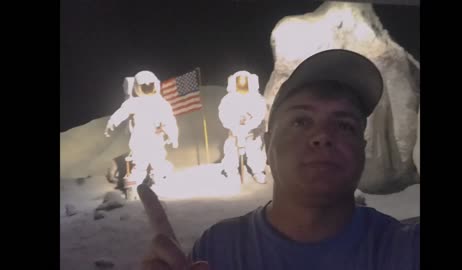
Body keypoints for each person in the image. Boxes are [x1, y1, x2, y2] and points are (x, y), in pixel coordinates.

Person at [139, 49, 420, 270]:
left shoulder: (403, 249)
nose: (322, 136)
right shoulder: (218, 251)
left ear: (362, 148)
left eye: (345, 125)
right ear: (267, 145)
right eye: (301, 121)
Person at [105, 70, 179, 200]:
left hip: (156, 141)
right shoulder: (135, 103)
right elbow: (121, 113)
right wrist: (111, 122)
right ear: (137, 87)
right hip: (140, 141)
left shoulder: (161, 103)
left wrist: (173, 135)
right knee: (139, 167)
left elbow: (169, 121)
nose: (148, 88)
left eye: (150, 85)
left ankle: (158, 187)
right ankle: (134, 189)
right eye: (145, 86)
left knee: (158, 165)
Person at [218, 70, 268, 184]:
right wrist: (234, 125)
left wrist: (250, 124)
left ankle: (257, 171)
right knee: (231, 151)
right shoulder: (228, 99)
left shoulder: (256, 98)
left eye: (244, 82)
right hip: (234, 133)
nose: (242, 84)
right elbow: (223, 114)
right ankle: (231, 172)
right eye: (239, 82)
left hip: (252, 133)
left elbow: (260, 113)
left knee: (254, 151)